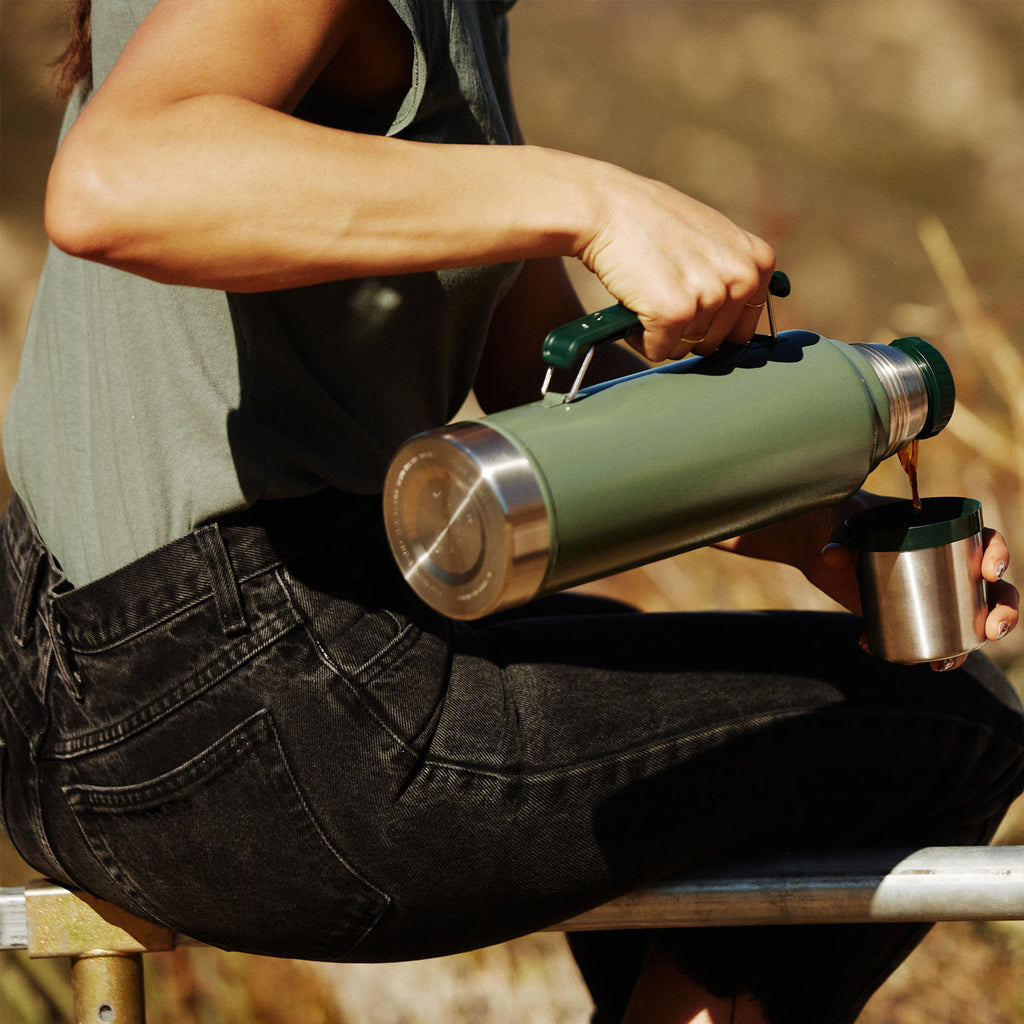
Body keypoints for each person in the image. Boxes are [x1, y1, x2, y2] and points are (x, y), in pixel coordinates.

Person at [1, 2, 1022, 1022]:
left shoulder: (460, 20)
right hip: (253, 713)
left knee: (659, 693)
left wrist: (812, 528)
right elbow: (116, 182)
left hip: (85, 694)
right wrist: (591, 196)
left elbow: (535, 371)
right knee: (951, 731)